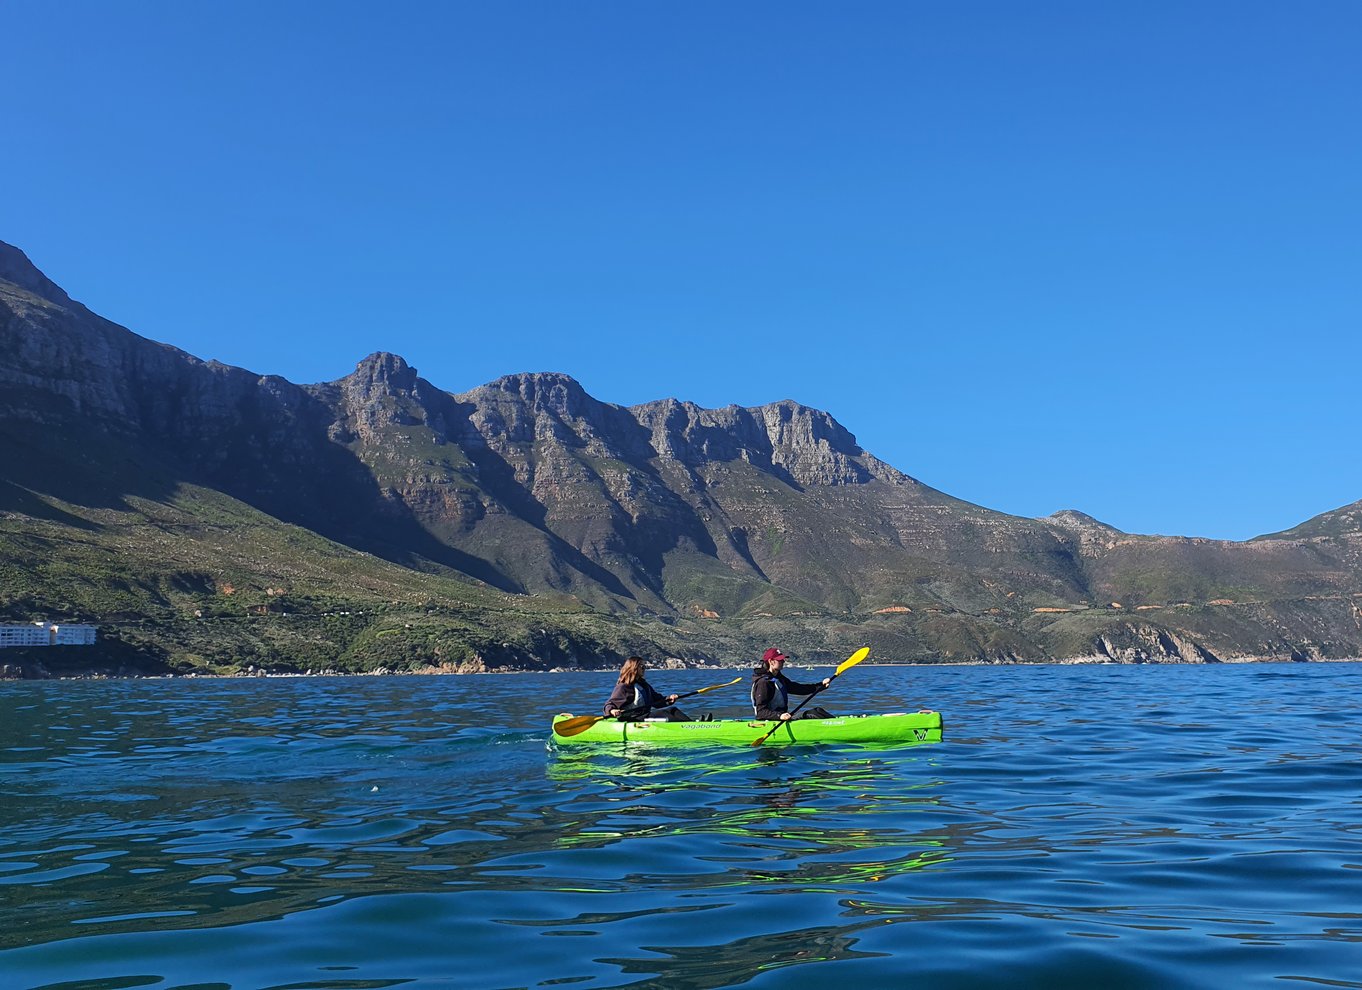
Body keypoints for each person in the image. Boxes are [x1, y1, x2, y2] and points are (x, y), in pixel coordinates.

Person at [751, 647, 834, 720]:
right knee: (813, 714)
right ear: (771, 661)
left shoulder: (779, 678)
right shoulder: (763, 683)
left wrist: (820, 685)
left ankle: (836, 722)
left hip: (781, 718)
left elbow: (798, 689)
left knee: (818, 711)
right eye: (780, 660)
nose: (783, 661)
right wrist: (779, 716)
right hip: (771, 721)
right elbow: (760, 712)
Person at [604, 656, 693, 721]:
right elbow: (609, 704)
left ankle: (693, 725)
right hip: (633, 719)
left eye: (644, 667)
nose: (644, 669)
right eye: (641, 667)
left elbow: (657, 700)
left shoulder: (644, 685)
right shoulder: (623, 687)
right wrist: (612, 710)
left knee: (673, 710)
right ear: (633, 668)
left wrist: (669, 699)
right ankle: (688, 728)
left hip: (645, 716)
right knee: (665, 713)